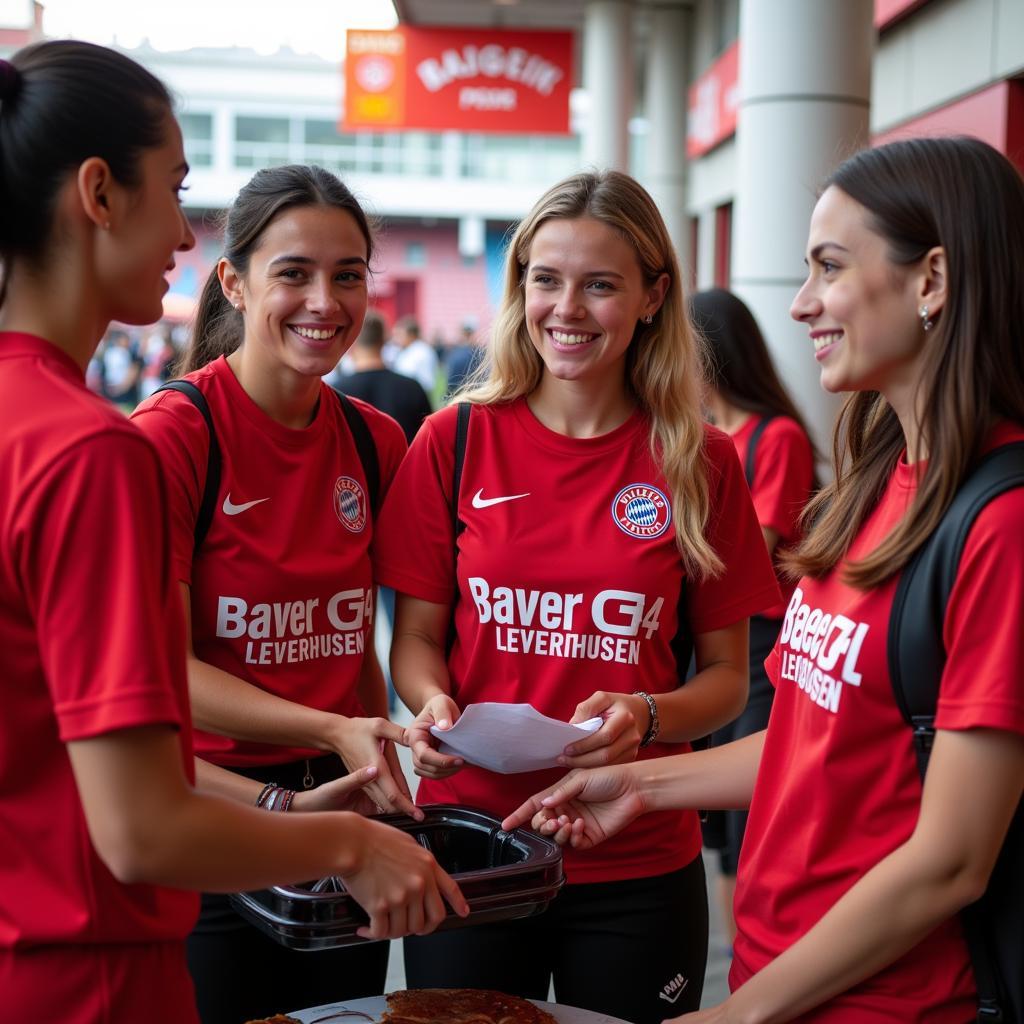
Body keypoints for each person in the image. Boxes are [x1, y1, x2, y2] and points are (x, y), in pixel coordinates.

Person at [503, 137, 1024, 1024]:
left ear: (932, 280)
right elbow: (806, 742)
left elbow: (952, 857)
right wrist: (640, 785)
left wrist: (738, 1016)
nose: (800, 304)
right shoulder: (875, 485)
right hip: (779, 976)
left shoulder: (1002, 521)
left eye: (828, 268)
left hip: (894, 1004)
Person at [0, 41, 465, 1024]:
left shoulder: (373, 441)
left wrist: (350, 770)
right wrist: (346, 840)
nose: (179, 227)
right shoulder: (109, 448)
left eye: (350, 276)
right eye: (173, 187)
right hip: (93, 959)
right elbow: (142, 827)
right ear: (98, 193)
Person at [373, 170, 781, 1024]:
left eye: (600, 284)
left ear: (652, 297)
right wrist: (433, 704)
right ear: (520, 286)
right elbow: (415, 641)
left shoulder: (700, 459)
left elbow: (724, 679)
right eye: (546, 279)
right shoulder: (454, 438)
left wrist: (646, 711)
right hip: (472, 845)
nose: (568, 308)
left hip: (635, 857)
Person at [131, 164, 423, 1023]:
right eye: (293, 273)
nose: (323, 302)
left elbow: (354, 642)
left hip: (340, 814)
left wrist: (378, 757)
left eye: (348, 275)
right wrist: (330, 730)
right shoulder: (174, 435)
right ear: (234, 280)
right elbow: (160, 671)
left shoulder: (377, 443)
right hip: (212, 809)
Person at [690, 287, 817, 948]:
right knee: (710, 812)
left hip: (762, 636)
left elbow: (754, 552)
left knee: (748, 806)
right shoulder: (703, 437)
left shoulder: (778, 436)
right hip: (704, 630)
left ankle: (747, 945)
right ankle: (734, 943)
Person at [340, 310, 433, 444]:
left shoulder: (336, 392)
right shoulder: (412, 387)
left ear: (350, 342)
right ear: (384, 340)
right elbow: (428, 442)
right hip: (405, 464)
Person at [390, 315, 439, 395]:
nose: (396, 339)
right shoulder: (405, 350)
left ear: (411, 335)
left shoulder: (423, 352)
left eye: (399, 334)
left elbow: (427, 383)